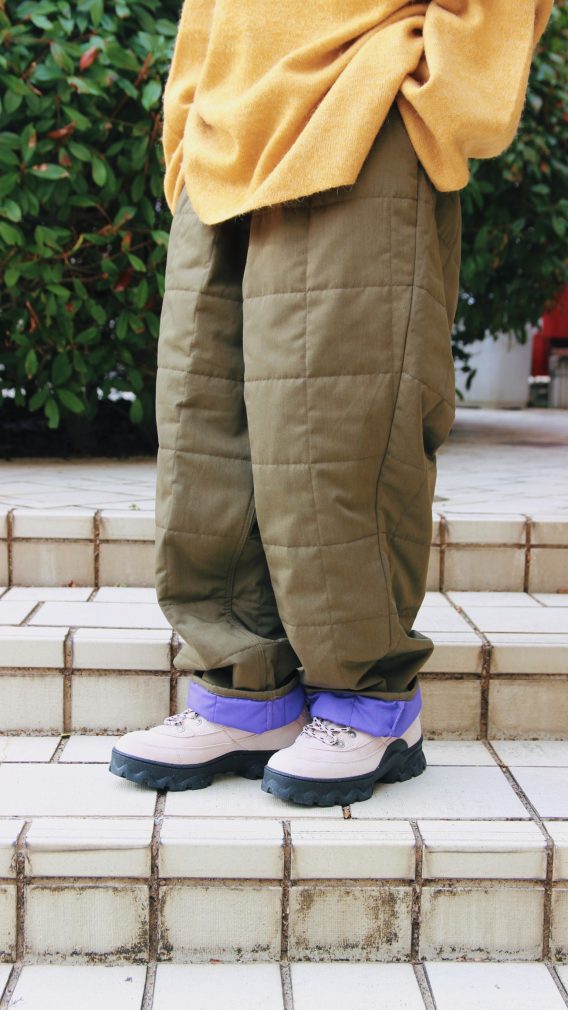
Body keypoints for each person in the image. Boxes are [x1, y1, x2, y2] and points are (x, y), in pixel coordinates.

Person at [109, 0, 552, 806]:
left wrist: (441, 92)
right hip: (225, 129)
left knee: (337, 425)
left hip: (361, 102)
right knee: (206, 430)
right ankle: (245, 693)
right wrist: (190, 111)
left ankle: (369, 702)